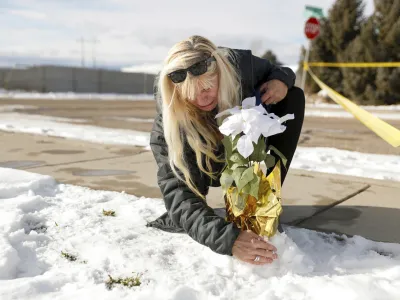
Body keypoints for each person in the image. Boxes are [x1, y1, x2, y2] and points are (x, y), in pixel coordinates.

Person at [147, 35, 305, 266]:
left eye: (209, 85)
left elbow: (279, 70)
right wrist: (227, 239)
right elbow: (178, 193)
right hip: (207, 164)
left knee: (293, 97)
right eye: (191, 92)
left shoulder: (241, 64)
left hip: (246, 152)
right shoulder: (167, 125)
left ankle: (262, 195)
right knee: (186, 205)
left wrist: (281, 81)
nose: (203, 97)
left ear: (222, 70)